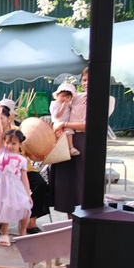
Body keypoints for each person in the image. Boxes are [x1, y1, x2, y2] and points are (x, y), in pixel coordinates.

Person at [0, 122, 32, 245]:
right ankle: (4, 233)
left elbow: (24, 177)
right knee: (4, 207)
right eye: (7, 142)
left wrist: (28, 194)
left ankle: (23, 233)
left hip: (14, 186)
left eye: (13, 143)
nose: (9, 146)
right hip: (1, 186)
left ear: (20, 144)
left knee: (25, 207)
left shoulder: (22, 160)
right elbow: (0, 132)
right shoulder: (1, 152)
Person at [49, 80, 87, 215]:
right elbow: (55, 117)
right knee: (67, 181)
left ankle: (83, 217)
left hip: (84, 140)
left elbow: (89, 124)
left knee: (81, 181)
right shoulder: (75, 97)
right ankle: (69, 222)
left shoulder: (107, 99)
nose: (86, 83)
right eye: (85, 79)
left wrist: (66, 123)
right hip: (65, 137)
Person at [50, 83, 81, 157]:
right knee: (60, 136)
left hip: (67, 122)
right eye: (63, 96)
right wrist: (63, 107)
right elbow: (57, 115)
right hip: (58, 123)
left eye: (68, 97)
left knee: (69, 133)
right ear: (57, 96)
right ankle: (60, 149)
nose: (65, 99)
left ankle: (71, 148)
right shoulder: (54, 104)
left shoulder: (68, 104)